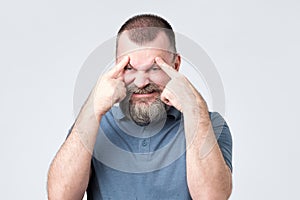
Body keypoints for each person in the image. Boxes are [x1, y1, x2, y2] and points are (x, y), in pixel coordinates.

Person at [47, 14, 233, 200]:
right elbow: (60, 197)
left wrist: (194, 110)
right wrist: (92, 110)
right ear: (116, 67)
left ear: (175, 66)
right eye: (129, 68)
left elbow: (213, 197)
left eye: (155, 68)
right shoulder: (93, 124)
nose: (141, 82)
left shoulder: (209, 124)